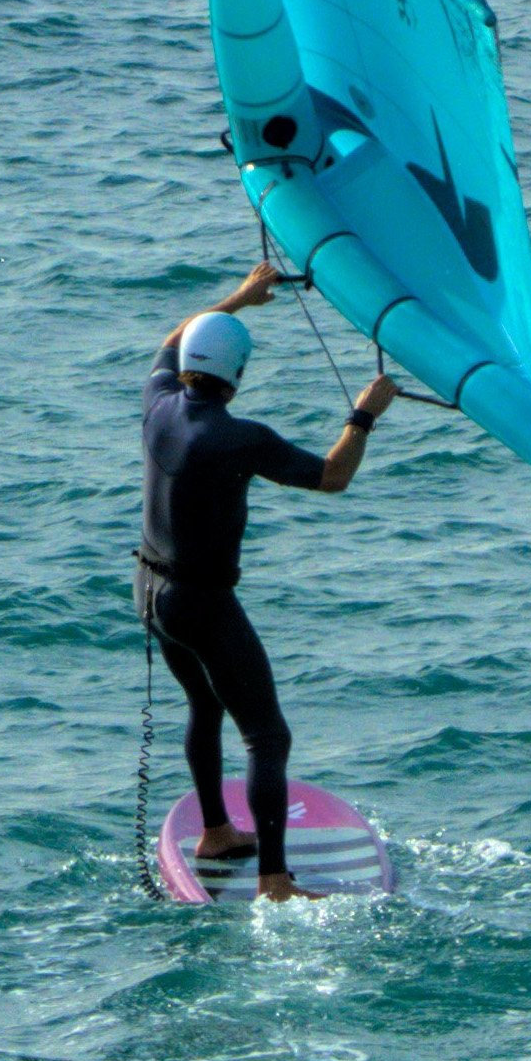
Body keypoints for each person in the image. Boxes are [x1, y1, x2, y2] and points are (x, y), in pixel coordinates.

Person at [134, 260, 397, 902]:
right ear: (239, 376)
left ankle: (217, 832)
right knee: (267, 736)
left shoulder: (158, 404)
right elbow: (333, 476)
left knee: (204, 704)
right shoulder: (236, 438)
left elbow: (172, 341)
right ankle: (275, 882)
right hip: (202, 603)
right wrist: (364, 415)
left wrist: (242, 300)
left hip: (150, 592)